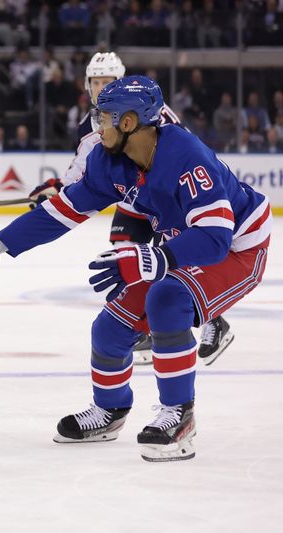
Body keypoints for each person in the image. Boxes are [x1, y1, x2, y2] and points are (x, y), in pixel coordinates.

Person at [0, 76, 271, 461]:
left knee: (167, 298)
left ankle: (180, 415)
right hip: (185, 240)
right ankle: (110, 411)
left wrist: (155, 258)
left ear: (129, 122)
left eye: (106, 117)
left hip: (238, 246)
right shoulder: (108, 160)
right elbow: (60, 213)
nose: (99, 126)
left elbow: (214, 237)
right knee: (110, 327)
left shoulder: (186, 156)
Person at [28, 51, 233, 366]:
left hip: (168, 198)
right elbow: (82, 172)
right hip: (134, 199)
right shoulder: (89, 122)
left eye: (107, 81)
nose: (100, 88)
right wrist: (57, 189)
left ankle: (214, 320)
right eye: (95, 82)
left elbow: (185, 149)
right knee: (124, 252)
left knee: (177, 263)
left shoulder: (151, 110)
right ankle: (141, 329)